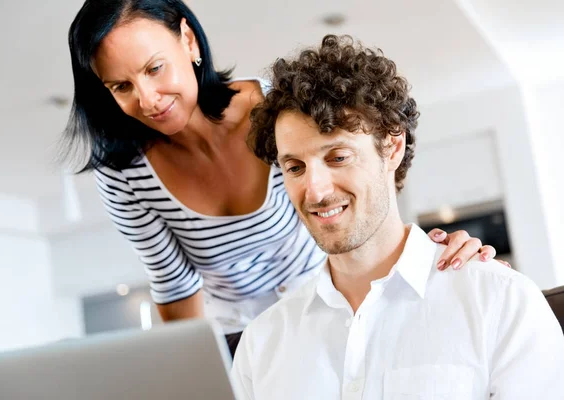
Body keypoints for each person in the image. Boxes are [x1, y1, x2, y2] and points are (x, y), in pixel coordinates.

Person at [64, 0, 502, 356]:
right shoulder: (125, 174)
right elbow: (176, 288)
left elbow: (356, 202)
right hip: (240, 335)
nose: (147, 99)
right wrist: (202, 372)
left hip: (332, 301)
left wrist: (431, 260)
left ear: (189, 40)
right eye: (120, 86)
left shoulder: (277, 109)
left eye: (154, 68)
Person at [231, 34, 564, 399]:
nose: (314, 190)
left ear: (392, 147)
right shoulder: (260, 345)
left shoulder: (500, 301)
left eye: (338, 157)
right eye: (294, 167)